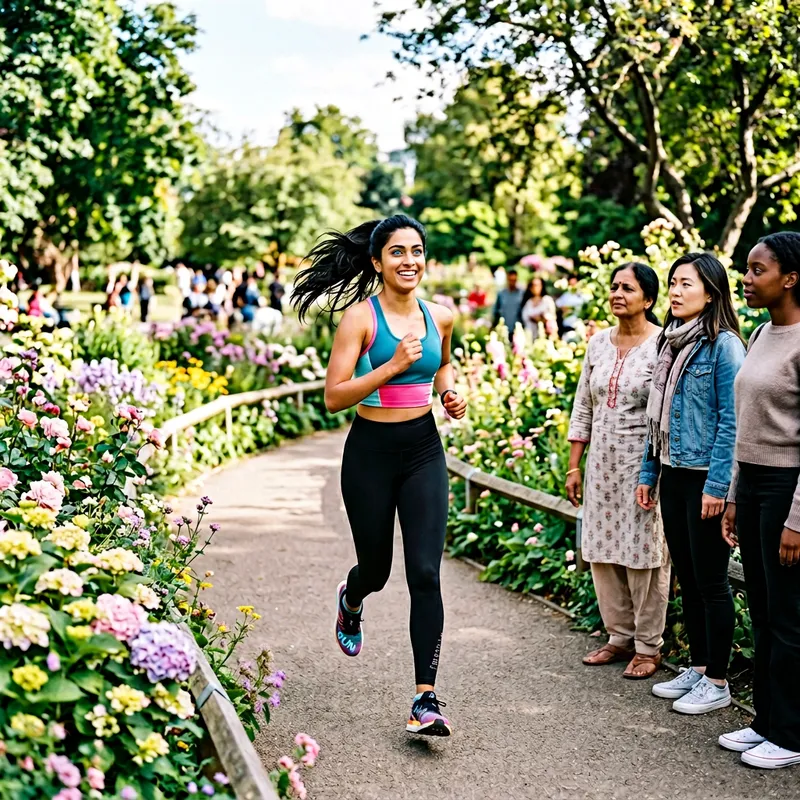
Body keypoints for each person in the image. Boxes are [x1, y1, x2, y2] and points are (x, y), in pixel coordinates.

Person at [291, 214, 468, 738]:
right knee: (377, 568)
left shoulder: (442, 315)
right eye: (397, 252)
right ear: (377, 262)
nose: (409, 260)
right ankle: (351, 597)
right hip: (369, 453)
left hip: (422, 450)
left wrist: (449, 392)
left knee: (426, 573)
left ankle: (425, 698)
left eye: (416, 250)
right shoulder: (359, 321)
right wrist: (389, 366)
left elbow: (442, 366)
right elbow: (332, 398)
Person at [636, 253, 745, 714]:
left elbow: (731, 422)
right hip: (674, 473)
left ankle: (718, 680)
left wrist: (718, 487)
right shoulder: (671, 343)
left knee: (712, 581)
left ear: (711, 292)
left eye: (686, 284)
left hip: (706, 478)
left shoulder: (724, 346)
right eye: (673, 283)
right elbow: (656, 420)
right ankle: (699, 667)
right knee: (689, 575)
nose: (675, 292)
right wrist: (649, 473)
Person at [719, 232, 800, 769]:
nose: (745, 280)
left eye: (756, 270)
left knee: (790, 616)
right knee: (765, 608)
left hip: (787, 489)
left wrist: (798, 520)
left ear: (790, 278)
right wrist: (731, 497)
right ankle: (766, 722)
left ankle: (791, 736)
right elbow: (744, 426)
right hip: (750, 484)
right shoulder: (761, 332)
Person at [567, 262, 669, 679]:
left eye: (627, 288)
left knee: (645, 553)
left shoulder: (663, 344)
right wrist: (575, 466)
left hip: (644, 465)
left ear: (648, 299)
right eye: (614, 287)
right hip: (602, 466)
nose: (617, 293)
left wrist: (656, 470)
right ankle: (618, 637)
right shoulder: (597, 344)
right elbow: (583, 406)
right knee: (603, 550)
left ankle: (649, 646)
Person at [492, 268, 525, 332]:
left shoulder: (522, 293)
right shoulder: (501, 294)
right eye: (510, 280)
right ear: (507, 279)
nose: (512, 282)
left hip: (518, 329)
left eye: (514, 280)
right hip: (503, 328)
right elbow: (496, 311)